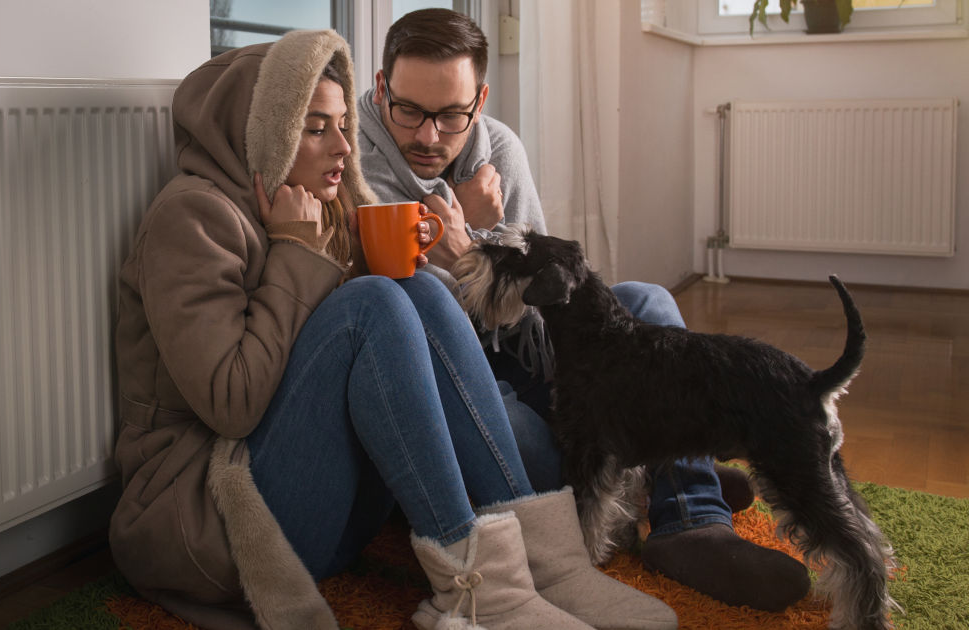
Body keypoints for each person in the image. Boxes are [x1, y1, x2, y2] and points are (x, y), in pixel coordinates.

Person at [108, 29, 678, 630]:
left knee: (421, 286)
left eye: (344, 125)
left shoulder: (322, 207)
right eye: (315, 128)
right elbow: (234, 404)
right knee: (374, 300)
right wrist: (294, 252)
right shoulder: (192, 217)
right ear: (260, 132)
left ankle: (547, 568)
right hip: (213, 520)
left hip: (320, 513)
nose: (343, 149)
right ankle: (474, 587)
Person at [357, 8, 812, 613]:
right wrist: (462, 238)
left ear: (480, 99)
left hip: (521, 351)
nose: (427, 137)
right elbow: (398, 328)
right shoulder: (354, 165)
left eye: (451, 116)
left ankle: (689, 519)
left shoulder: (502, 153)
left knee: (648, 302)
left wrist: (479, 247)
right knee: (536, 444)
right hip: (455, 385)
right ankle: (654, 471)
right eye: (409, 109)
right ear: (383, 86)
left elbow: (549, 318)